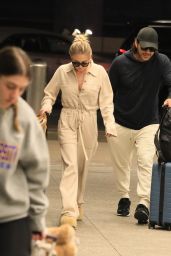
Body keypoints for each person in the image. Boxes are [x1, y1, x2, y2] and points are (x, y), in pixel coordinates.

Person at [39, 29, 117, 228]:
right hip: (68, 118)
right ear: (70, 59)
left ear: (90, 58)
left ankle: (78, 203)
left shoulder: (100, 73)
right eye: (75, 63)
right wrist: (46, 109)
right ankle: (68, 211)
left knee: (83, 166)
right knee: (70, 166)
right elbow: (50, 94)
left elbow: (107, 102)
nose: (80, 67)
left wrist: (109, 125)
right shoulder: (62, 72)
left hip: (90, 120)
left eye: (84, 63)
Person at [107, 27, 171, 224]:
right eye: (145, 49)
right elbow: (108, 93)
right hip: (121, 121)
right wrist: (108, 120)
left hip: (148, 122)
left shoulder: (162, 61)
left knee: (145, 161)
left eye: (152, 50)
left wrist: (170, 97)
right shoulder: (120, 63)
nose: (148, 53)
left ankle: (143, 203)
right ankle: (124, 197)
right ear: (136, 43)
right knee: (122, 164)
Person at [0, 46, 49, 256]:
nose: (15, 95)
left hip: (13, 218)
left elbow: (37, 174)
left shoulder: (25, 118)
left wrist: (38, 224)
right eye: (10, 86)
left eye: (21, 89)